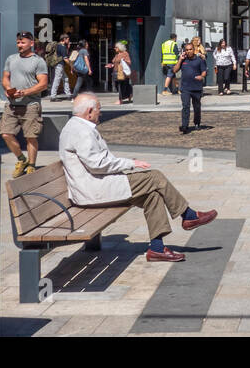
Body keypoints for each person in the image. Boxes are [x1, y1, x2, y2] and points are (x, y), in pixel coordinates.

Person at [59, 92, 217, 262]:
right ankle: (188, 216)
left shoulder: (79, 127)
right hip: (93, 191)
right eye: (99, 109)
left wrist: (127, 164)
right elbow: (97, 164)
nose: (101, 113)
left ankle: (157, 249)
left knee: (153, 195)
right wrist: (130, 164)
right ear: (89, 111)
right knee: (154, 177)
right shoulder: (81, 131)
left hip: (97, 185)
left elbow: (99, 161)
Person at [1, 30, 49, 178]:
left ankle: (32, 165)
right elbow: (5, 78)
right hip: (12, 104)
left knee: (30, 136)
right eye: (18, 42)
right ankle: (21, 160)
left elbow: (43, 84)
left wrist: (25, 92)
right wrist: (8, 89)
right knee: (5, 133)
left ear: (31, 43)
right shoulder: (11, 59)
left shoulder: (38, 61)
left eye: (22, 42)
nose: (19, 45)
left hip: (30, 105)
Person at [175, 38, 208, 134]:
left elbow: (204, 71)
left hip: (196, 87)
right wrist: (180, 60)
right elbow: (175, 70)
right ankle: (185, 126)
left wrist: (201, 76)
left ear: (193, 50)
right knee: (185, 106)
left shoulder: (199, 60)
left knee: (197, 107)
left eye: (190, 49)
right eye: (187, 50)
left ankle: (197, 122)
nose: (188, 51)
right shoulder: (183, 60)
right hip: (185, 88)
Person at [48, 33, 72, 100]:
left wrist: (68, 47)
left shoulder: (58, 45)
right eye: (68, 39)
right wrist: (71, 65)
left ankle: (68, 94)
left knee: (65, 78)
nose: (68, 41)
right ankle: (53, 96)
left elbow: (63, 54)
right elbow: (65, 58)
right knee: (57, 79)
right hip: (59, 65)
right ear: (64, 39)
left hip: (57, 64)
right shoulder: (62, 46)